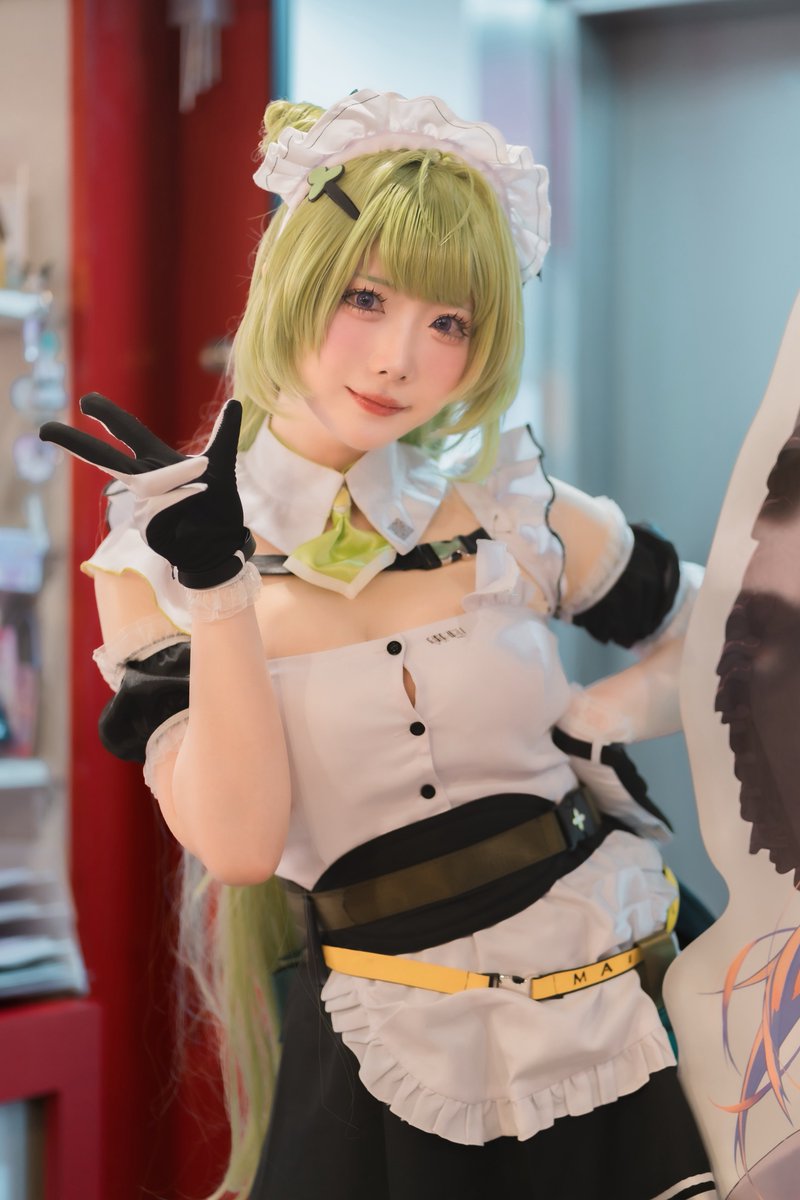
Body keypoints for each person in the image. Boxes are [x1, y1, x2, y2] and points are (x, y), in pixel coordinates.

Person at [42, 90, 717, 1200]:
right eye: (365, 297)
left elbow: (742, 634)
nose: (400, 359)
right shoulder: (153, 568)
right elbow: (240, 846)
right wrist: (219, 593)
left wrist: (597, 716)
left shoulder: (510, 512)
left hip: (625, 1002)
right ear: (292, 281)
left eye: (450, 323)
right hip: (391, 1046)